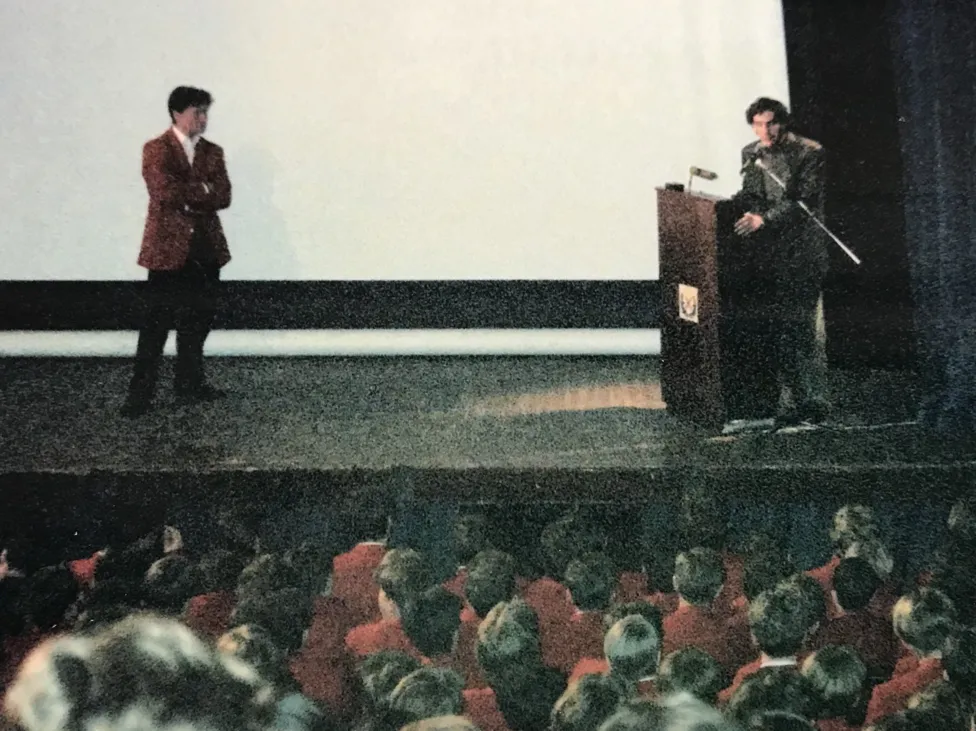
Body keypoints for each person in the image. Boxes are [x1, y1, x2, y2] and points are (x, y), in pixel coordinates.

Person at [122, 85, 232, 417]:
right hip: (167, 250)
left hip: (206, 249)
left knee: (198, 321)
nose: (204, 119)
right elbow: (163, 192)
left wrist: (191, 194)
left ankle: (190, 383)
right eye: (197, 112)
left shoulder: (213, 152)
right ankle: (140, 395)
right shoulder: (157, 149)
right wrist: (202, 191)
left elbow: (223, 196)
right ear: (176, 113)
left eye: (206, 112)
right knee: (156, 324)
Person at [731, 96, 830, 425]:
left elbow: (803, 202)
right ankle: (781, 403)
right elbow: (751, 195)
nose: (765, 131)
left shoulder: (809, 152)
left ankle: (813, 404)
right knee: (776, 329)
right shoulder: (751, 153)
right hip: (769, 255)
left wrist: (765, 219)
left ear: (783, 122)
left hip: (803, 254)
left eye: (771, 123)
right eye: (758, 124)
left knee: (801, 330)